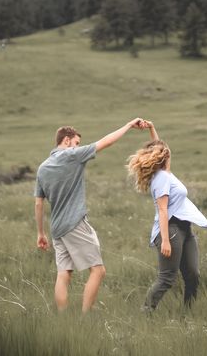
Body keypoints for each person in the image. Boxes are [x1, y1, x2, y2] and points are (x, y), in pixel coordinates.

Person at [35, 119, 143, 313]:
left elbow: (38, 203)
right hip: (75, 223)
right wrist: (128, 126)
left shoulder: (42, 168)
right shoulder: (72, 155)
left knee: (63, 274)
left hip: (57, 228)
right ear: (66, 141)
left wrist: (40, 233)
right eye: (76, 142)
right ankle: (85, 317)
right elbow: (107, 142)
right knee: (98, 270)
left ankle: (63, 318)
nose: (78, 146)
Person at [127, 121, 207, 311]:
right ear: (163, 156)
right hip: (171, 231)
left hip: (185, 229)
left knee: (193, 274)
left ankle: (188, 314)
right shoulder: (162, 178)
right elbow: (163, 210)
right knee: (167, 278)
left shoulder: (165, 173)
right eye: (165, 150)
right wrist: (165, 240)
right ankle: (146, 311)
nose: (168, 151)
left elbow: (160, 146)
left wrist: (151, 128)